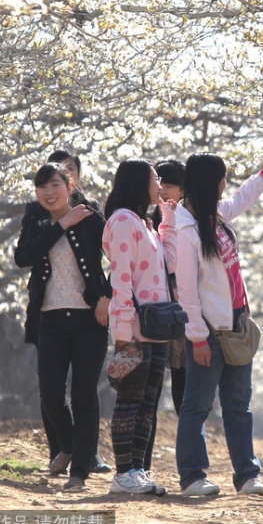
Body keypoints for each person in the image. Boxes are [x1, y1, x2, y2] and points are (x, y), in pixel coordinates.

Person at [162, 146, 263, 497]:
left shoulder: (217, 217)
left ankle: (247, 475)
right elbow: (187, 290)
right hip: (210, 333)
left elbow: (243, 199)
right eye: (222, 179)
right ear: (210, 183)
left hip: (237, 325)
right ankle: (193, 477)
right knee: (197, 406)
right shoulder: (187, 231)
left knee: (238, 405)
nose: (226, 185)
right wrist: (197, 337)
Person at [14, 162, 111, 491]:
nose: (49, 192)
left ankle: (79, 472)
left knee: (84, 395)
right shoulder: (35, 216)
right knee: (51, 394)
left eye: (55, 185)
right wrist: (60, 225)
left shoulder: (90, 215)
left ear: (69, 185)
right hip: (49, 318)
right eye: (42, 187)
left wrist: (108, 297)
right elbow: (22, 256)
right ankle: (68, 446)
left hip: (89, 318)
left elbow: (124, 258)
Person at [102, 160, 175, 496]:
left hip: (156, 325)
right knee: (130, 398)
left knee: (148, 401)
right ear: (139, 182)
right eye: (154, 178)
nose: (159, 183)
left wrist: (168, 218)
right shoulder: (121, 222)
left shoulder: (146, 223)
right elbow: (121, 278)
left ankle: (138, 470)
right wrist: (122, 329)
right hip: (133, 327)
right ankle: (122, 473)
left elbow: (171, 262)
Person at [153, 159, 187, 415]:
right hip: (156, 307)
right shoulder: (145, 220)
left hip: (184, 306)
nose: (163, 190)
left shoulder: (188, 219)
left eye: (170, 185)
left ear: (183, 190)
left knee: (183, 377)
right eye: (159, 183)